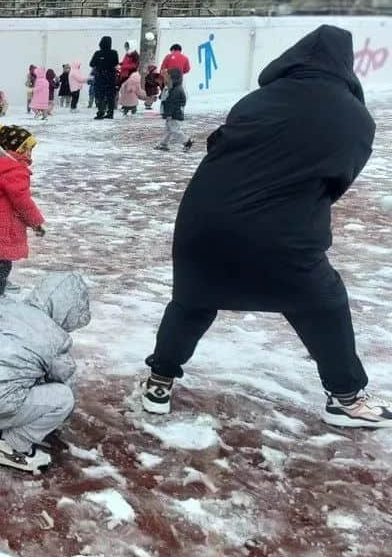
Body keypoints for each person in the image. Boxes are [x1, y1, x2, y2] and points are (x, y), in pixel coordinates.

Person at [143, 25, 391, 429]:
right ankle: (346, 397)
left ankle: (159, 382)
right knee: (324, 305)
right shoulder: (355, 118)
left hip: (204, 219)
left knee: (193, 300)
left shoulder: (258, 99)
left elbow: (219, 144)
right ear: (345, 66)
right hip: (283, 232)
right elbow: (337, 181)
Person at [0, 273, 89, 473]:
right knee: (63, 399)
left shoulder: (4, 308)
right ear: (69, 311)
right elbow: (66, 383)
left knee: (16, 372)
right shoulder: (55, 338)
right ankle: (10, 446)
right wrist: (58, 419)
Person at [0, 125, 46, 301]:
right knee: (2, 262)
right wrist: (35, 222)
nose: (30, 154)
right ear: (15, 149)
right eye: (27, 149)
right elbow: (22, 201)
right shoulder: (13, 171)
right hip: (2, 225)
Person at [155, 69, 192, 151]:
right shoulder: (171, 87)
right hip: (172, 113)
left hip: (174, 114)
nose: (165, 79)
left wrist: (168, 114)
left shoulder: (176, 90)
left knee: (175, 130)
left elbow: (171, 103)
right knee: (168, 130)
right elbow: (164, 98)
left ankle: (186, 141)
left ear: (173, 78)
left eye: (168, 78)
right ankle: (163, 144)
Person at [90, 37, 120, 120]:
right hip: (110, 76)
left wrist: (100, 64)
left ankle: (100, 112)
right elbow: (116, 63)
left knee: (100, 95)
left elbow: (91, 64)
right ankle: (110, 113)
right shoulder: (114, 53)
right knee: (110, 95)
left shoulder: (97, 53)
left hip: (100, 76)